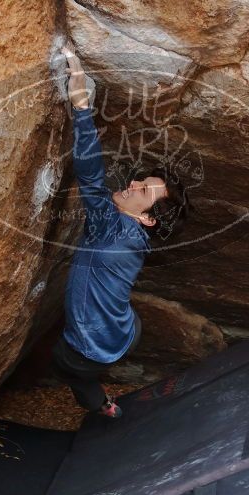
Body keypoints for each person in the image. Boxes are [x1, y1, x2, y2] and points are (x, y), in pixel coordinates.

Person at [52, 44, 190, 418]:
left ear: (147, 218)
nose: (133, 184)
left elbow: (91, 175)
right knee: (81, 369)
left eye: (143, 191)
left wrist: (82, 107)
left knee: (66, 368)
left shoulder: (107, 229)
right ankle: (105, 404)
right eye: (141, 180)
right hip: (125, 334)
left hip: (89, 349)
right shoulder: (135, 236)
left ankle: (103, 407)